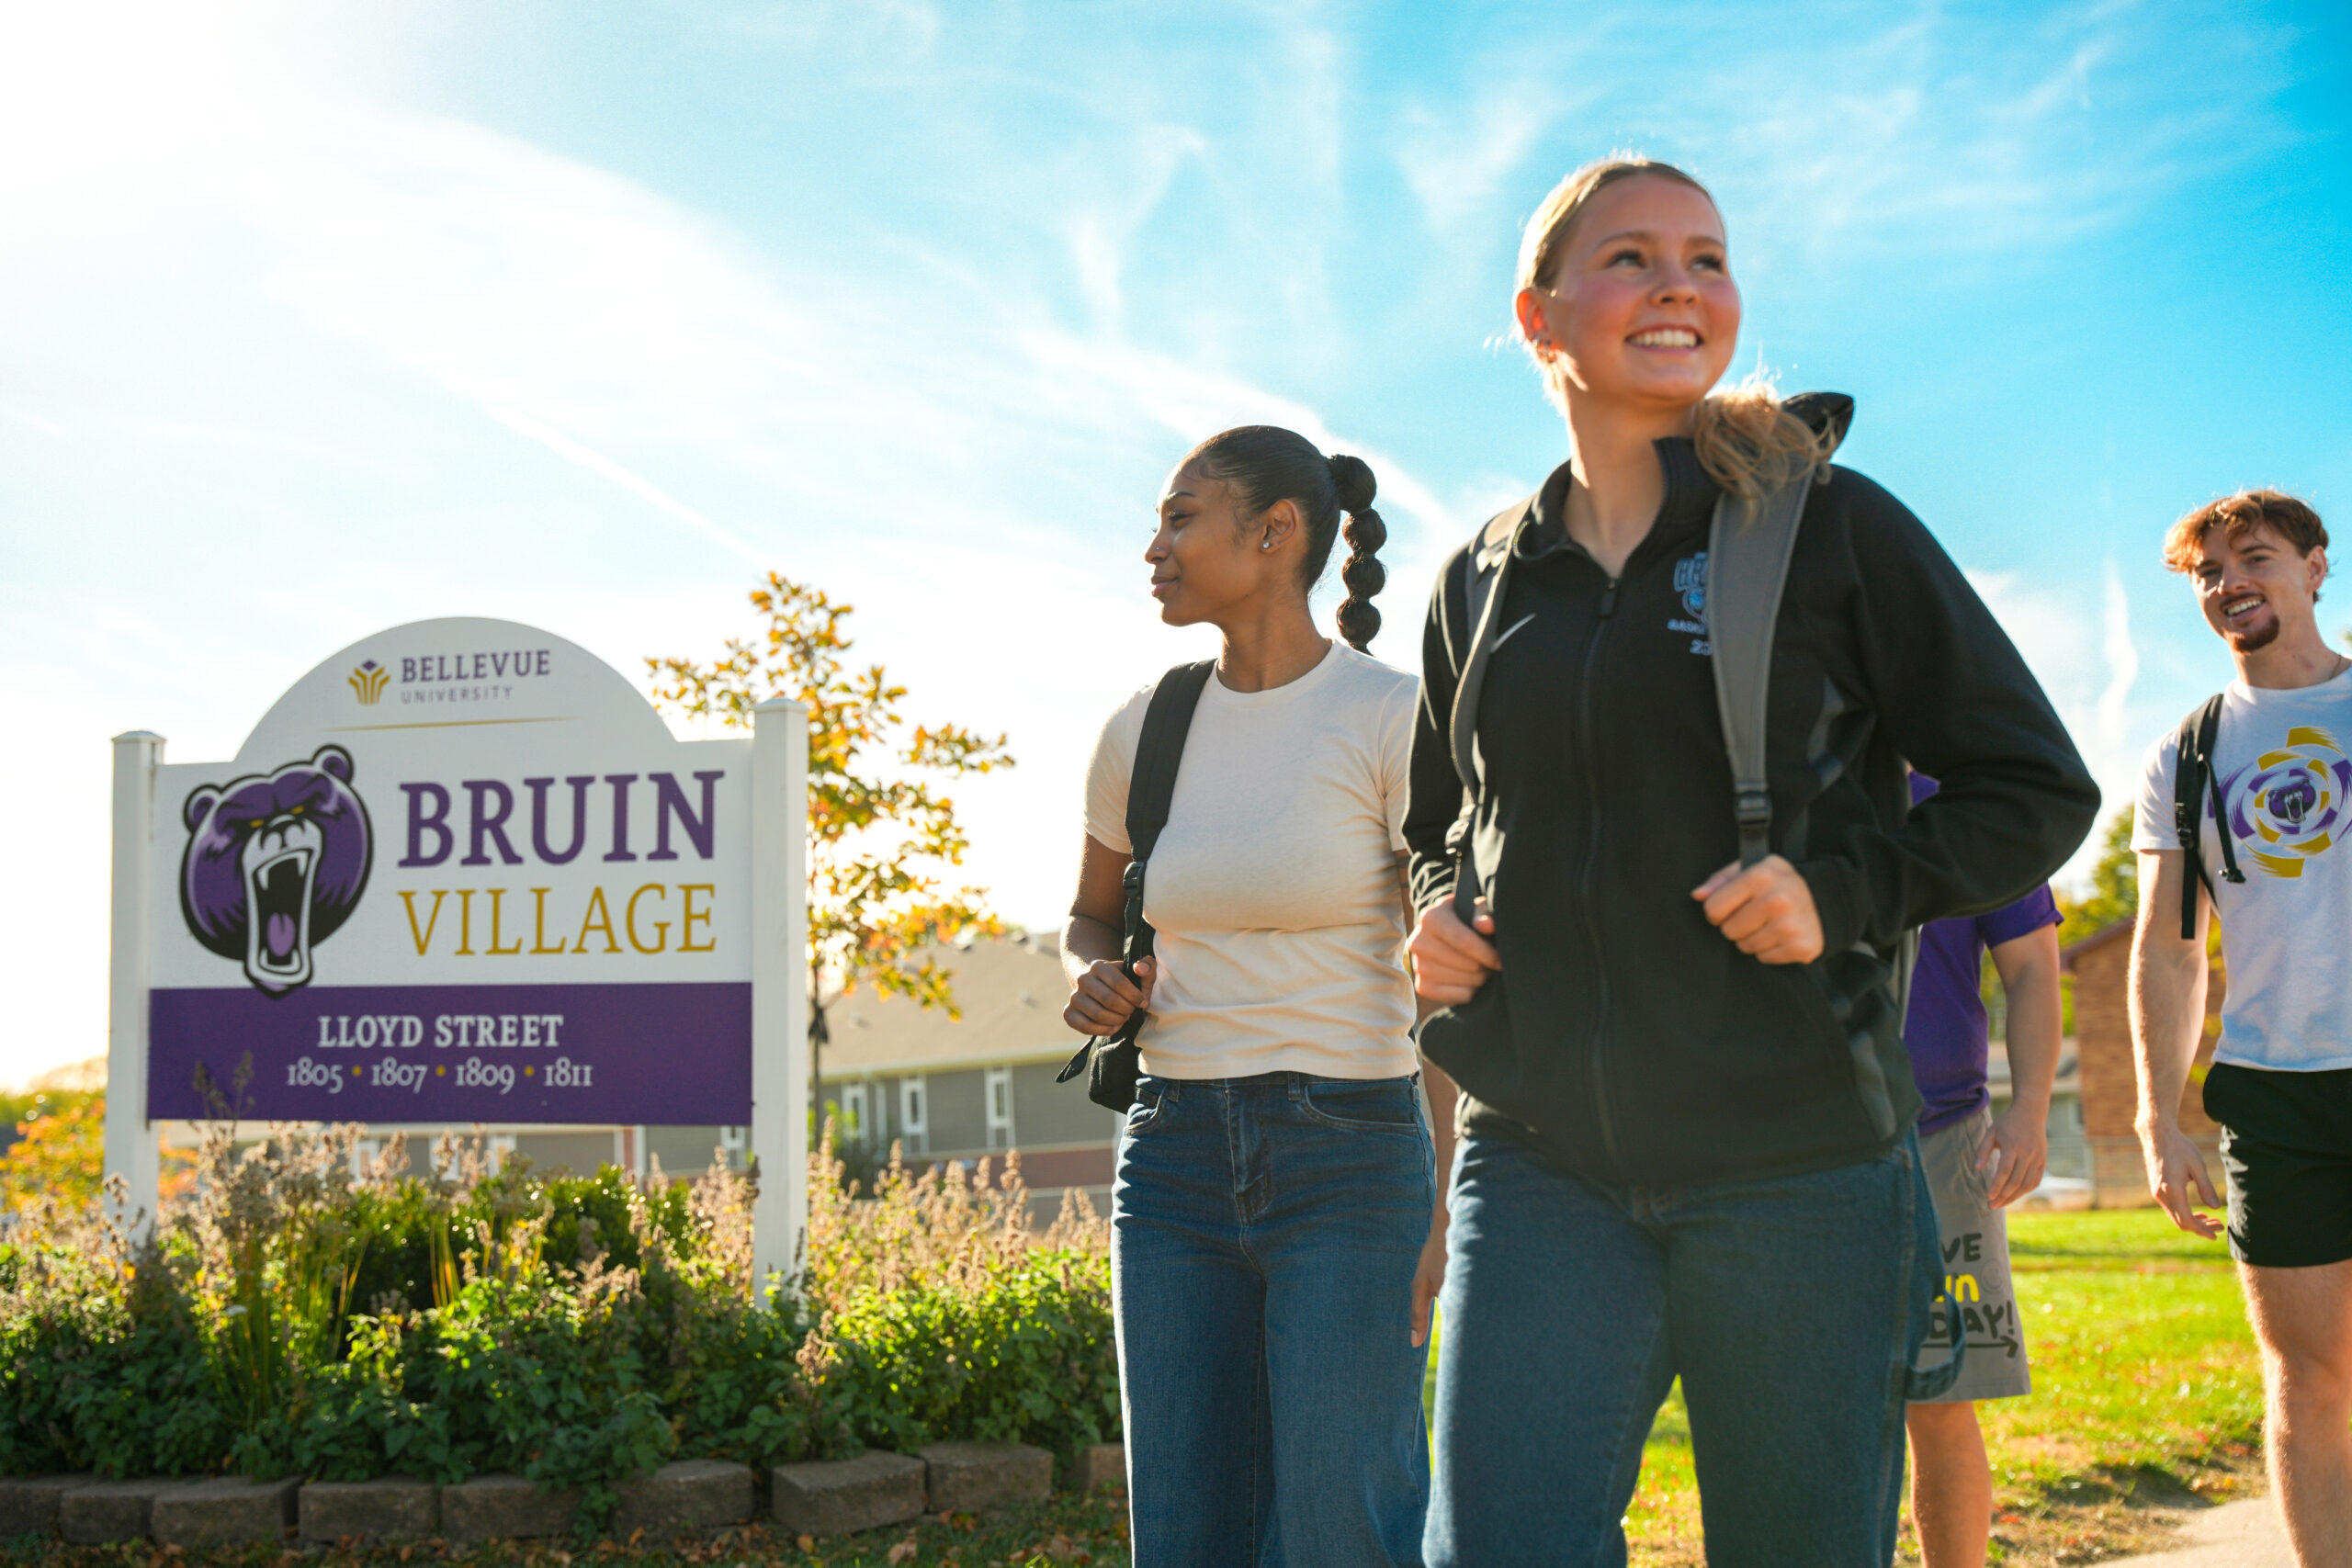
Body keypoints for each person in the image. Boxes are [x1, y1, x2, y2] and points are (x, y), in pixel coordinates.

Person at [1403, 154, 2098, 1568]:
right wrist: (1436, 911)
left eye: (1708, 258)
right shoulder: (1479, 580)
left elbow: (2036, 784)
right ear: (1538, 315)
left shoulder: (1833, 526)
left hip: (1800, 1165)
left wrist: (1842, 890)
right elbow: (1437, 818)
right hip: (1540, 1161)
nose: (1679, 284)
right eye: (1632, 256)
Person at [1060, 425, 1459, 1568]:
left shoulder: (1391, 716)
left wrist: (1440, 1199)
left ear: (1276, 532)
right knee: (1187, 1528)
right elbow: (1087, 915)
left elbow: (1438, 977)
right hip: (1170, 1155)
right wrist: (1088, 975)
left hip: (1351, 1154)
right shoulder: (1144, 726)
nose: (1154, 548)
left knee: (1343, 1523)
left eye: (1180, 519)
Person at [2129, 490, 2352, 1567]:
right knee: (2308, 1379)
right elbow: (2168, 949)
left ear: (2314, 566)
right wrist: (2156, 1116)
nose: (2229, 585)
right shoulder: (2187, 754)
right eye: (2208, 573)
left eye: (2253, 558)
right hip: (2273, 1098)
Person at [1899, 772, 2064, 1568]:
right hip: (1801, 1141)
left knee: (1940, 1400)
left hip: (1944, 1137)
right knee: (1817, 1405)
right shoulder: (1786, 778)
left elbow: (2032, 966)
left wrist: (2029, 1106)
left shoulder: (1970, 799)